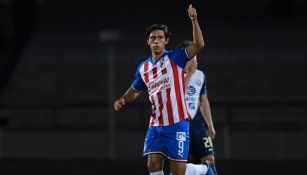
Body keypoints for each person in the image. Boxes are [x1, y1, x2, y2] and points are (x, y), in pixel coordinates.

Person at [114, 4, 210, 175]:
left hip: (178, 123)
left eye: (160, 37)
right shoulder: (143, 68)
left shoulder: (176, 58)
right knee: (153, 164)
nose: (156, 41)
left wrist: (194, 21)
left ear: (166, 40)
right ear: (148, 42)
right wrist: (122, 99)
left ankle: (203, 169)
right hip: (156, 125)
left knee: (177, 172)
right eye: (153, 38)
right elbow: (135, 90)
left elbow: (199, 45)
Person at [177, 40, 218, 175]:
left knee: (209, 159)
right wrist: (189, 74)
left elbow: (203, 101)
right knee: (180, 167)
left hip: (197, 126)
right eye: (192, 57)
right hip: (179, 127)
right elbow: (177, 95)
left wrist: (210, 124)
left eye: (196, 57)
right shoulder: (173, 75)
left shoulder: (200, 75)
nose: (195, 61)